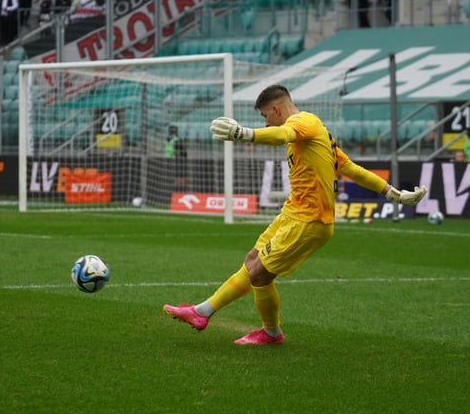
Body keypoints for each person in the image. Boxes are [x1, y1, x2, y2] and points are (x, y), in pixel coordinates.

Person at [163, 85, 427, 345]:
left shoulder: (303, 122)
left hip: (309, 220)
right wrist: (393, 193)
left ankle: (270, 333)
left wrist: (245, 134)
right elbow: (352, 168)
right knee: (253, 260)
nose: (266, 124)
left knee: (259, 275)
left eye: (266, 117)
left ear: (276, 109)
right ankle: (201, 312)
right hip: (293, 213)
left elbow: (283, 133)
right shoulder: (319, 133)